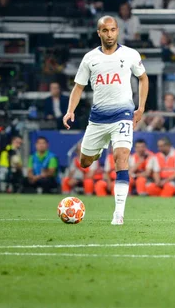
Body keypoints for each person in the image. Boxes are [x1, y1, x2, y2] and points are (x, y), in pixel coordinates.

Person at [63, 16, 149, 225]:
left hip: (123, 116)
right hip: (98, 119)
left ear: (117, 31)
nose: (109, 34)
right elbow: (79, 87)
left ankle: (118, 213)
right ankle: (98, 149)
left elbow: (143, 78)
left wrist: (140, 108)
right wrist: (70, 110)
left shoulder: (130, 54)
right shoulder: (90, 58)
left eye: (113, 30)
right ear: (98, 33)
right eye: (105, 31)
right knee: (84, 163)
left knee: (121, 157)